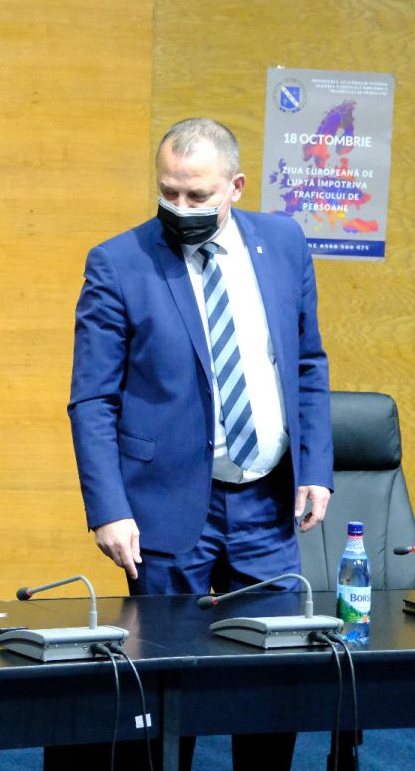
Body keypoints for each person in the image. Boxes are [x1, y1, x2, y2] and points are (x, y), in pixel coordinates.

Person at [66, 117, 333, 769]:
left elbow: (307, 364)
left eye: (197, 195)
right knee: (162, 688)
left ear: (235, 187)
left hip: (266, 503)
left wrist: (315, 467)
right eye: (168, 192)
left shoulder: (284, 243)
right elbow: (92, 399)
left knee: (272, 684)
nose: (180, 207)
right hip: (164, 504)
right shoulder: (119, 261)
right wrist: (108, 508)